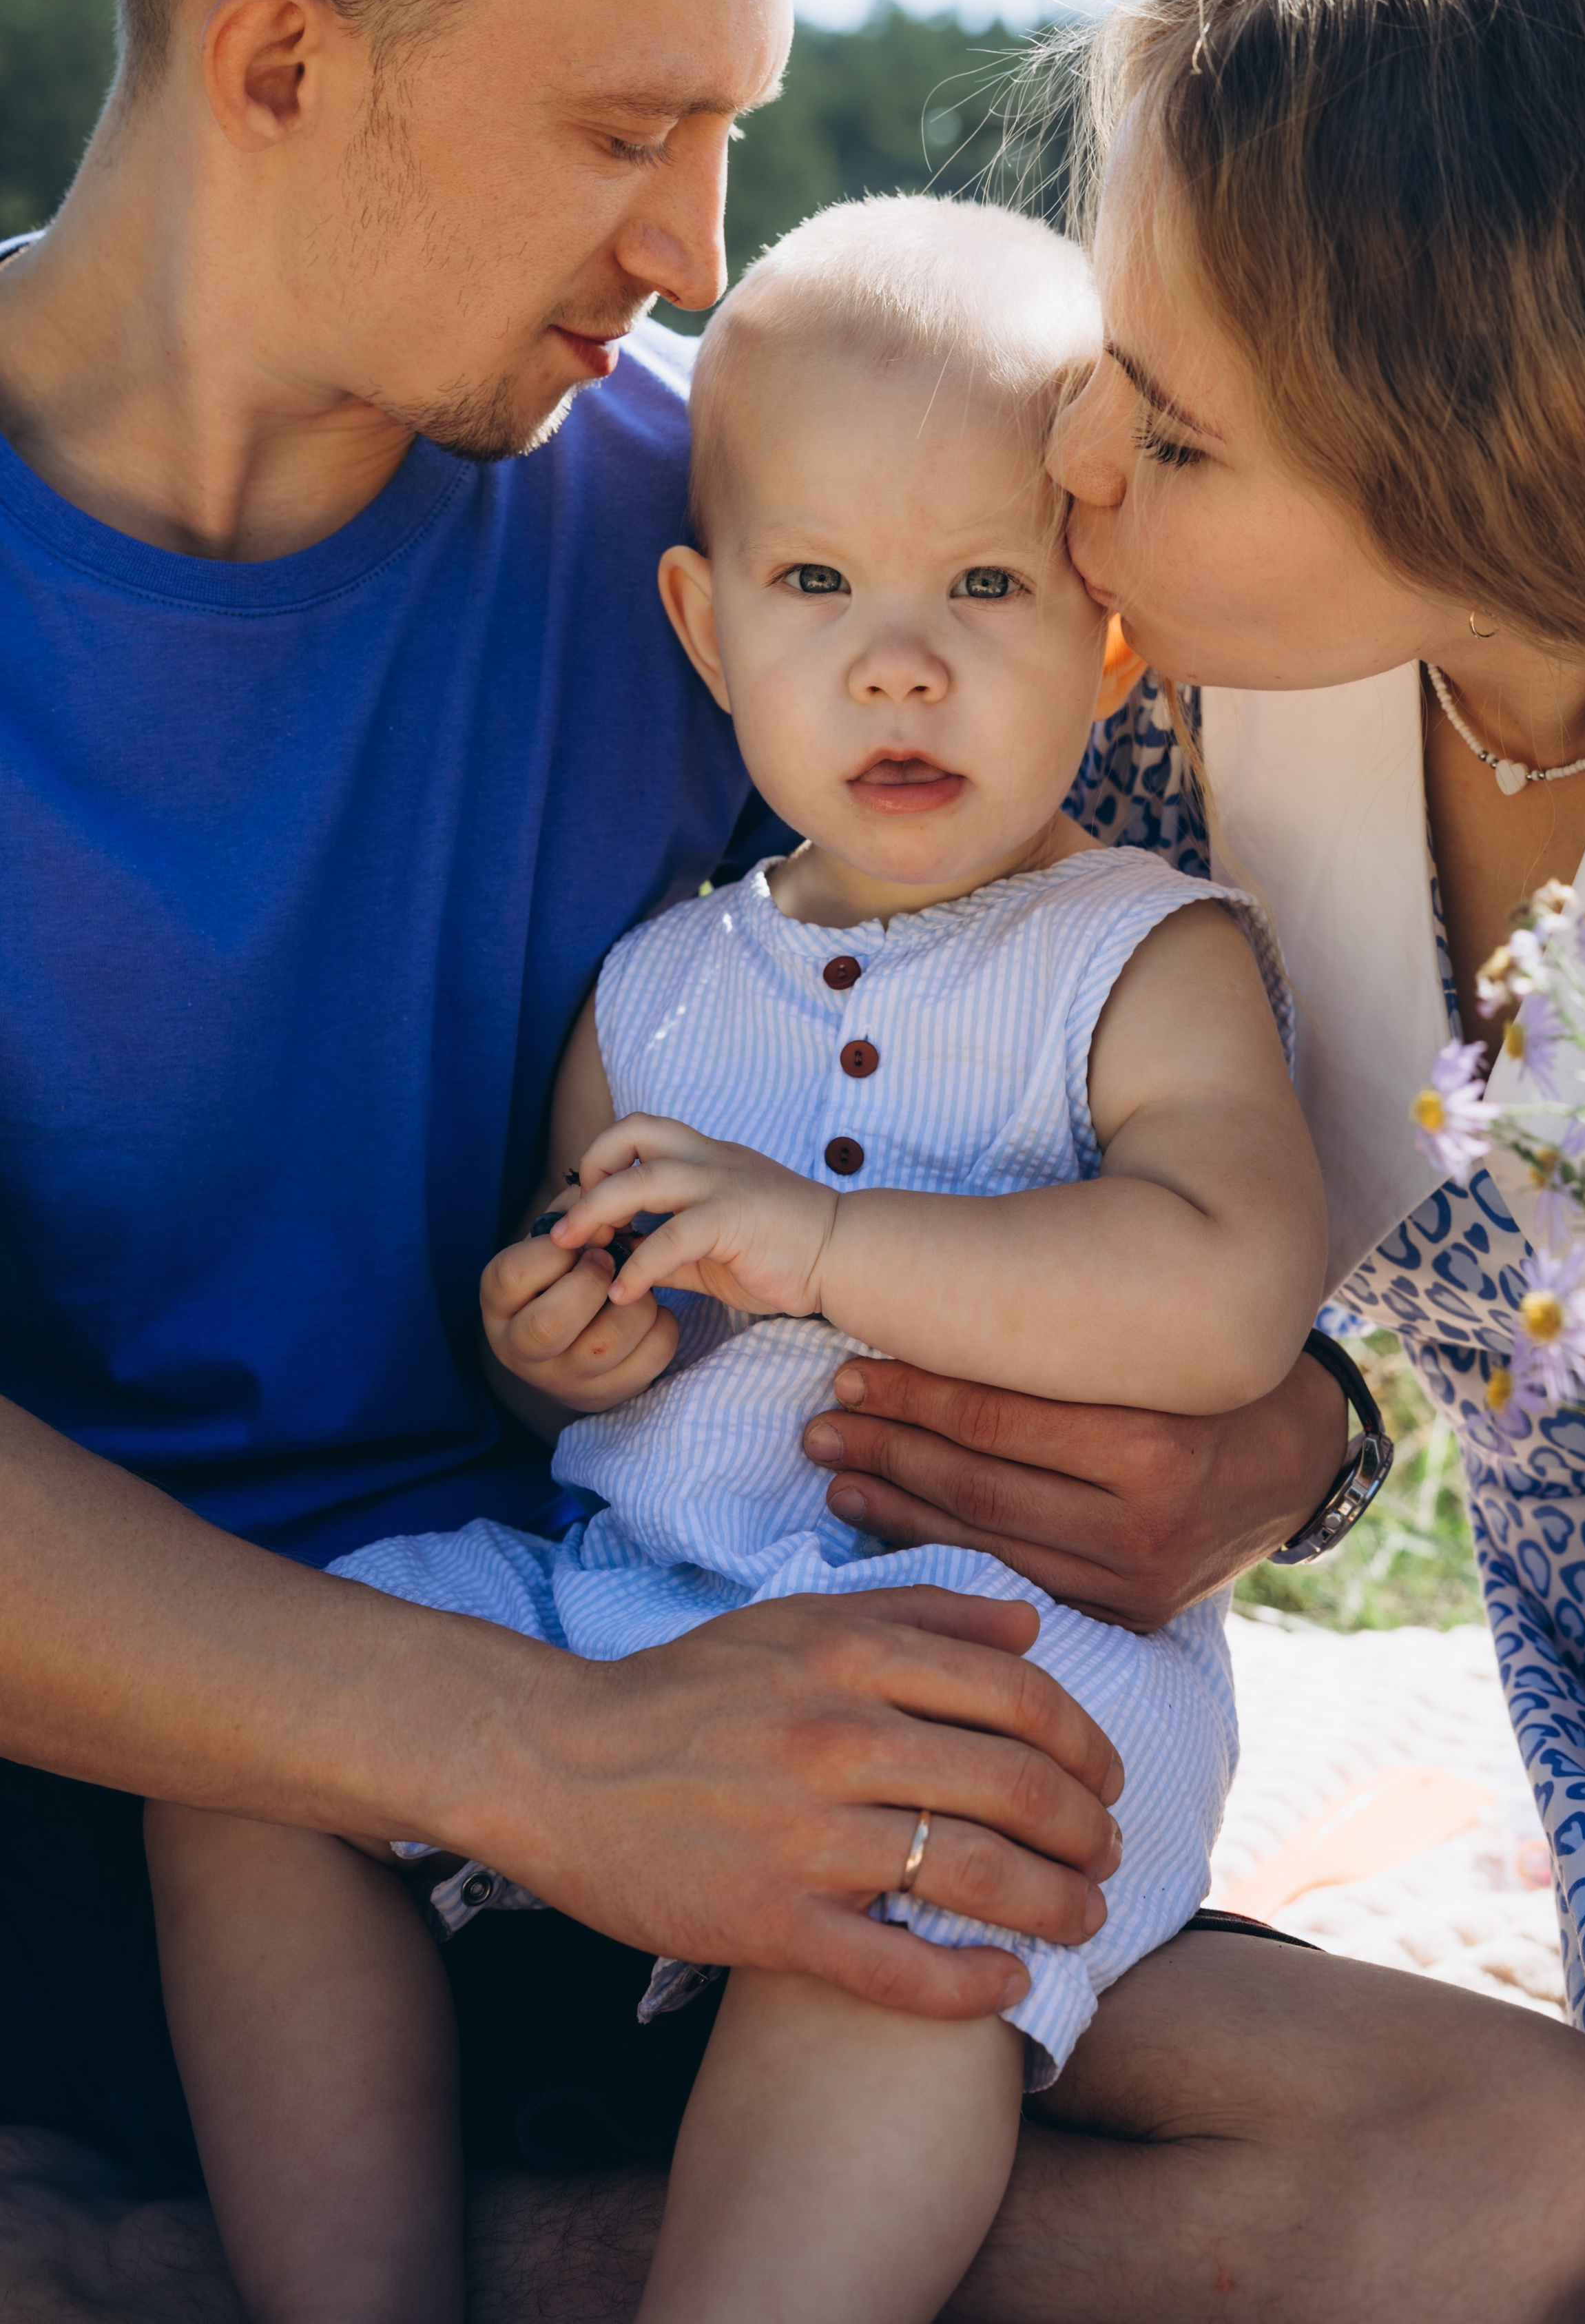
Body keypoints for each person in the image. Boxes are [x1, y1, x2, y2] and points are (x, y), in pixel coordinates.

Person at [0, 0, 1585, 2307]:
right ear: (283, 65)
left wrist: (1289, 1438)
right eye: (624, 128)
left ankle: (199, 2267)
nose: (698, 251)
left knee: (1498, 2172)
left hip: (764, 1740)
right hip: (190, 1788)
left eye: (733, 130)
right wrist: (545, 1759)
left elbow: (1175, 1051)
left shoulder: (778, 535)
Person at [145, 194, 1327, 2324]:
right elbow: (566, 1339)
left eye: (986, 586)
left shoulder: (1140, 955)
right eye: (817, 584)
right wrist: (562, 1343)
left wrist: (825, 1245)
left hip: (991, 1661)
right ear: (704, 632)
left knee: (912, 1904)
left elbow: (1230, 1286)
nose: (900, 660)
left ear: (1111, 641)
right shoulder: (665, 981)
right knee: (253, 1759)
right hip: (633, 1613)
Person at [1039, 0, 1585, 2316]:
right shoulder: (1169, 738)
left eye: (1172, 436)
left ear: (1509, 478)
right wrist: (1314, 1421)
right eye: (1100, 367)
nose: (1072, 459)